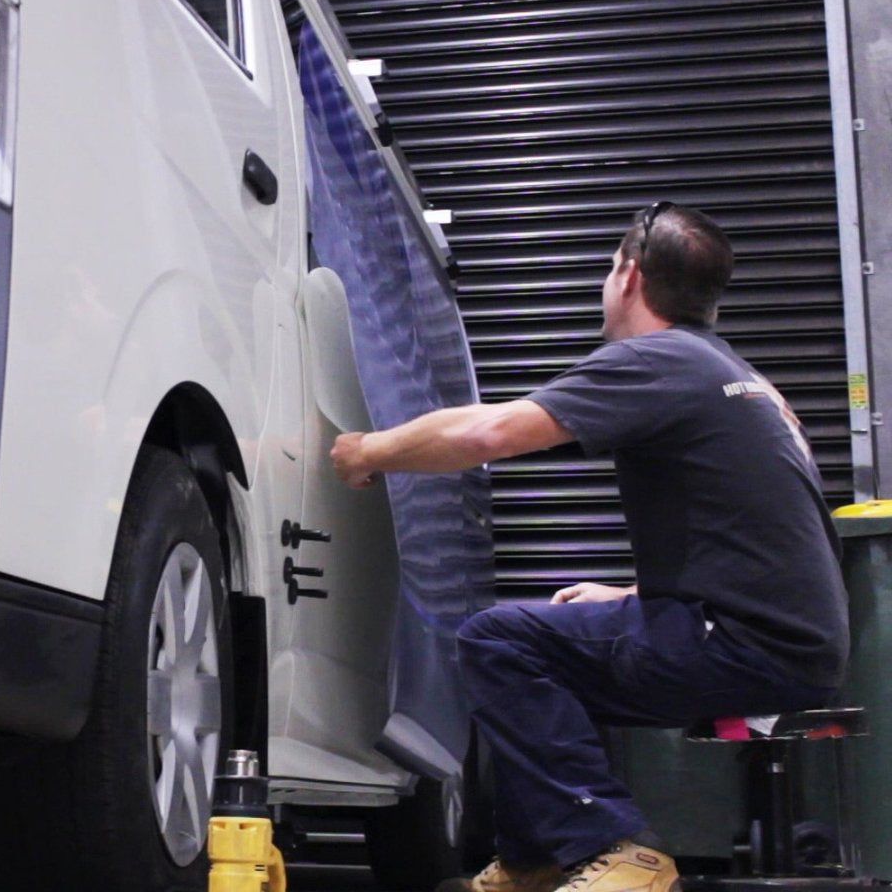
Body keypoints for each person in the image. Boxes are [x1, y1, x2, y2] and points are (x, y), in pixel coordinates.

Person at [330, 202, 849, 892]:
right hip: (791, 642)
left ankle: (616, 848)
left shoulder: (655, 361)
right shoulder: (733, 376)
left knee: (499, 641)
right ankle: (531, 860)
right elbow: (755, 536)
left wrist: (370, 448)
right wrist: (635, 597)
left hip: (740, 642)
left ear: (628, 275)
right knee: (556, 654)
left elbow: (490, 433)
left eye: (608, 267)